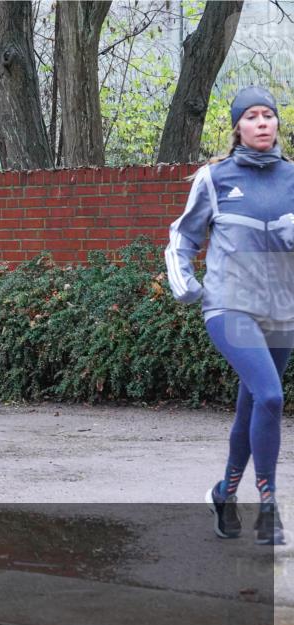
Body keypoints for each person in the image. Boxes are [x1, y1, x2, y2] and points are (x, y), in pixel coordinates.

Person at [164, 86, 294, 545]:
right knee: (272, 397)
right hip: (229, 306)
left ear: (278, 124)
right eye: (252, 116)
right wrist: (187, 287)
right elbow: (183, 237)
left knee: (254, 405)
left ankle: (225, 493)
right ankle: (268, 506)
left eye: (269, 115)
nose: (262, 122)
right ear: (237, 128)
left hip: (281, 312)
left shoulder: (293, 179)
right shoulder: (214, 178)